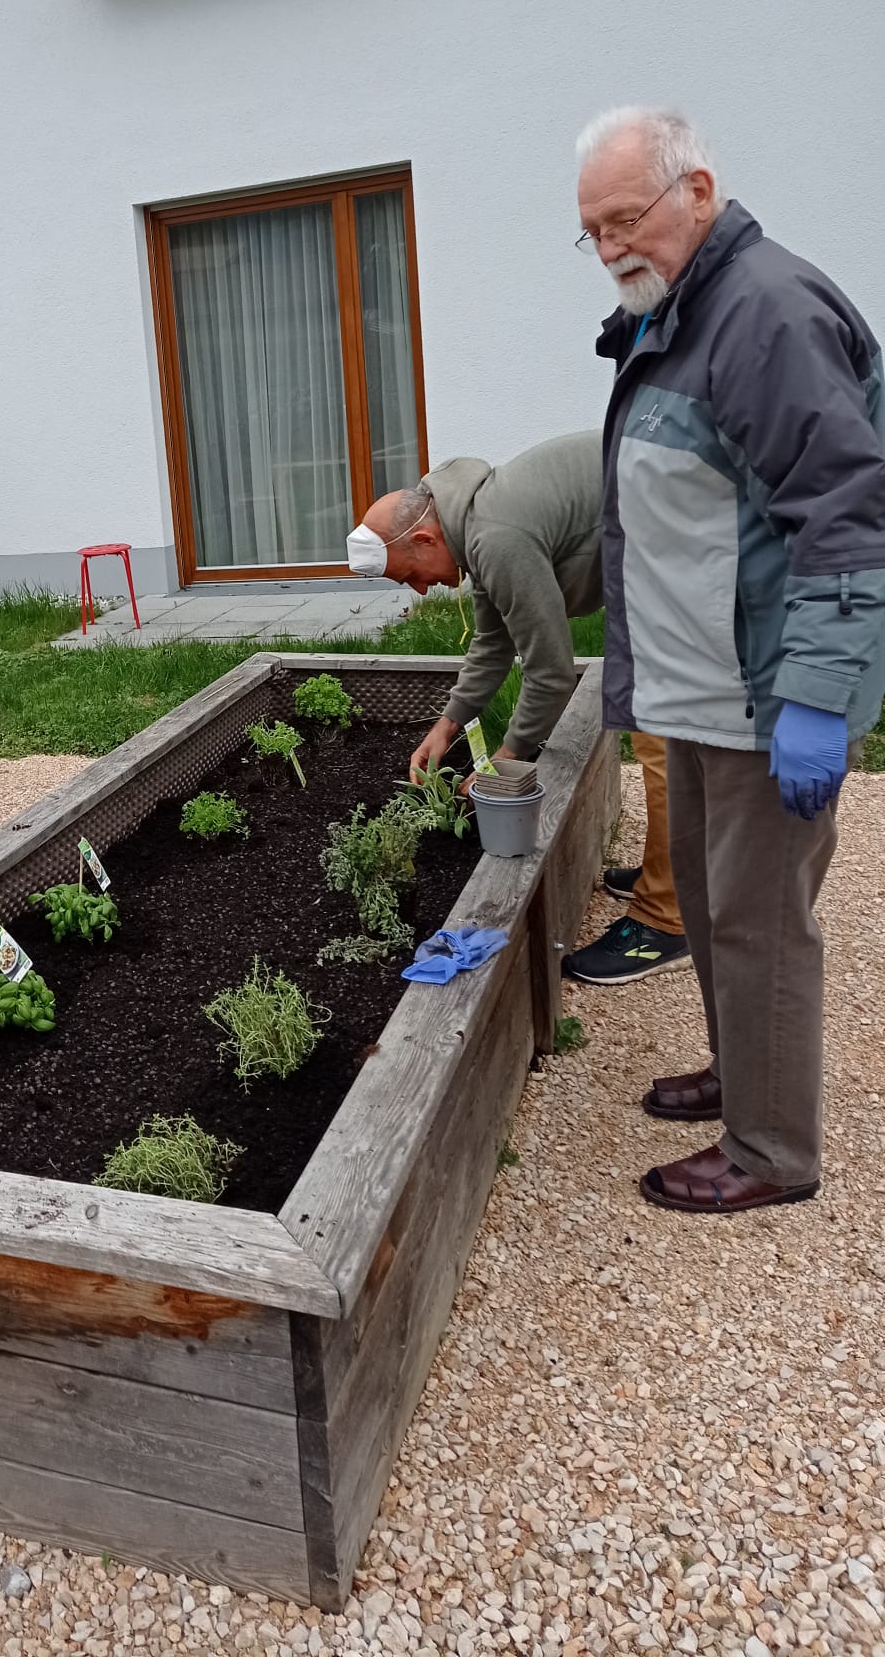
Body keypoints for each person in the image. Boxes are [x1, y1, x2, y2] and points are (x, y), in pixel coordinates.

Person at [576, 104, 885, 1213]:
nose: (610, 245)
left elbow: (844, 514)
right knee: (710, 913)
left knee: (758, 921)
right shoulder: (682, 313)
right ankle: (740, 1072)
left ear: (695, 192)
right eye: (591, 228)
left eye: (627, 217)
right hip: (700, 692)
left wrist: (813, 695)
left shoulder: (763, 314)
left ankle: (770, 1150)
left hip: (763, 696)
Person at [346, 437, 689, 982]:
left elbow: (551, 671)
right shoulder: (474, 520)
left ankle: (668, 918)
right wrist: (446, 725)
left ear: (427, 537)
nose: (420, 589)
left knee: (663, 737)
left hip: (681, 551)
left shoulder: (496, 536)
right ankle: (671, 875)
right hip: (657, 547)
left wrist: (503, 767)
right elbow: (493, 642)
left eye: (410, 574)